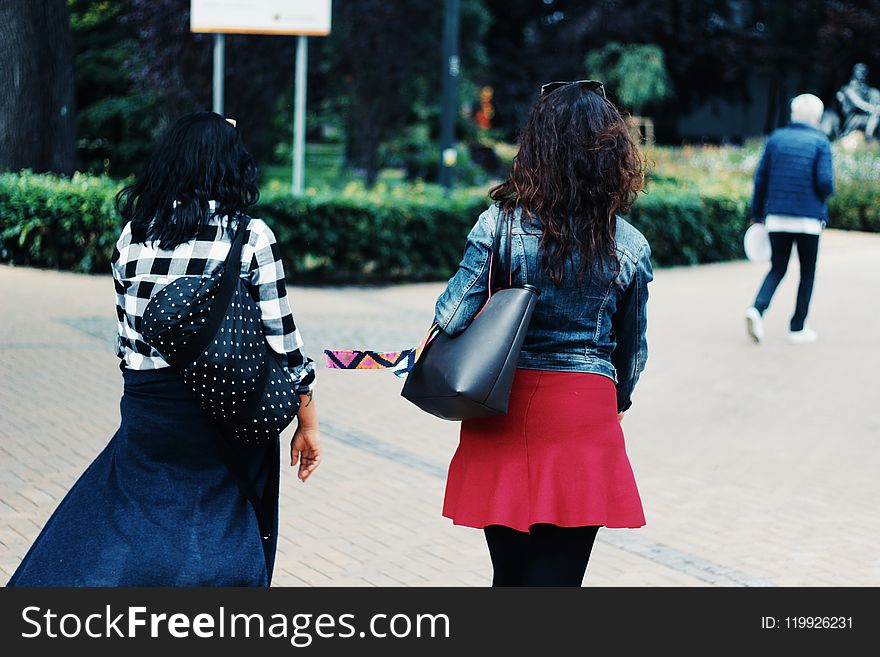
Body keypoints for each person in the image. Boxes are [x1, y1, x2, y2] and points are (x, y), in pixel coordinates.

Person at [7, 112, 321, 587]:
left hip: (149, 408)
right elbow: (285, 345)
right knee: (229, 523)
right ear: (232, 166)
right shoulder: (249, 236)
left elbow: (127, 335)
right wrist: (308, 425)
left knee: (136, 521)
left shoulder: (133, 235)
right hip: (228, 409)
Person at [435, 80, 650, 587]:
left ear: (537, 147)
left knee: (508, 577)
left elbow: (450, 316)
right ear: (612, 152)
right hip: (584, 408)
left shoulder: (499, 226)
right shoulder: (630, 245)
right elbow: (633, 349)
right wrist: (618, 397)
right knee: (560, 582)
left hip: (503, 401)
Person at [746, 94, 835, 345]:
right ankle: (797, 328)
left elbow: (760, 180)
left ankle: (757, 309)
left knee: (778, 267)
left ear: (793, 115)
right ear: (817, 118)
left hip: (777, 218)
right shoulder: (821, 142)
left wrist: (756, 215)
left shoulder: (775, 139)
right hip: (808, 220)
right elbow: (825, 182)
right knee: (807, 272)